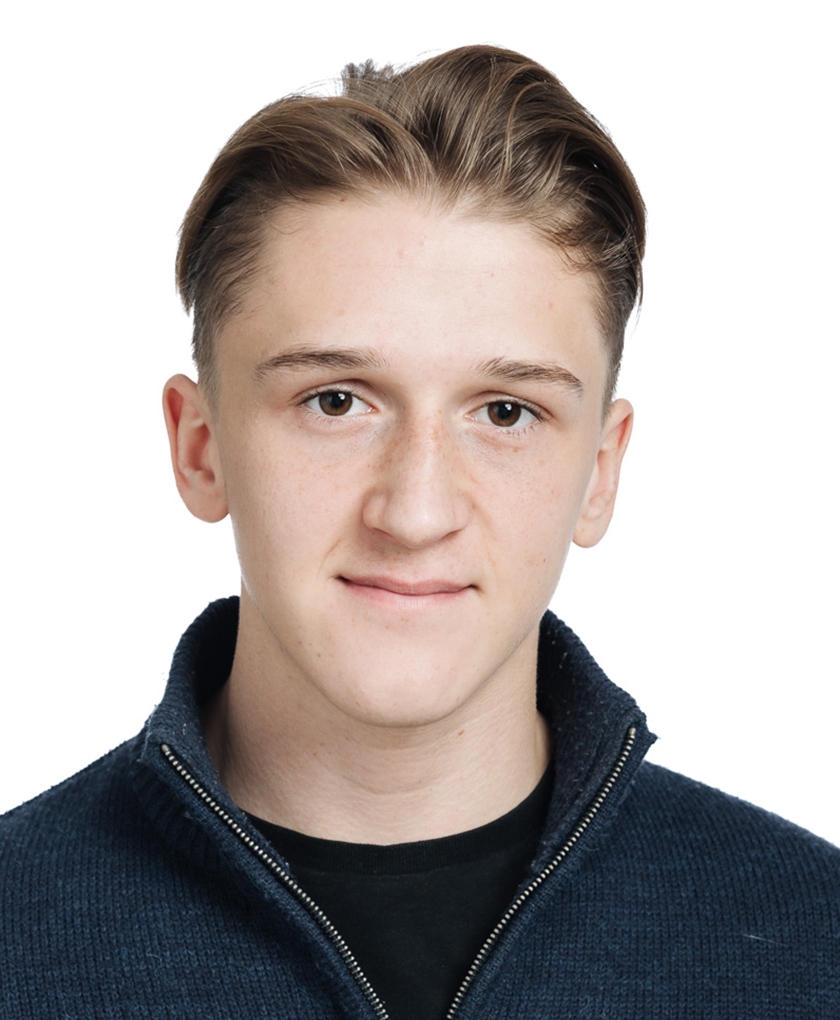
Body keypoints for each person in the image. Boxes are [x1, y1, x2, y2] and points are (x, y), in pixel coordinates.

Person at [1, 44, 837, 1020]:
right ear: (200, 448)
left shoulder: (815, 944)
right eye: (336, 401)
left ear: (601, 472)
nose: (415, 512)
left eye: (507, 413)